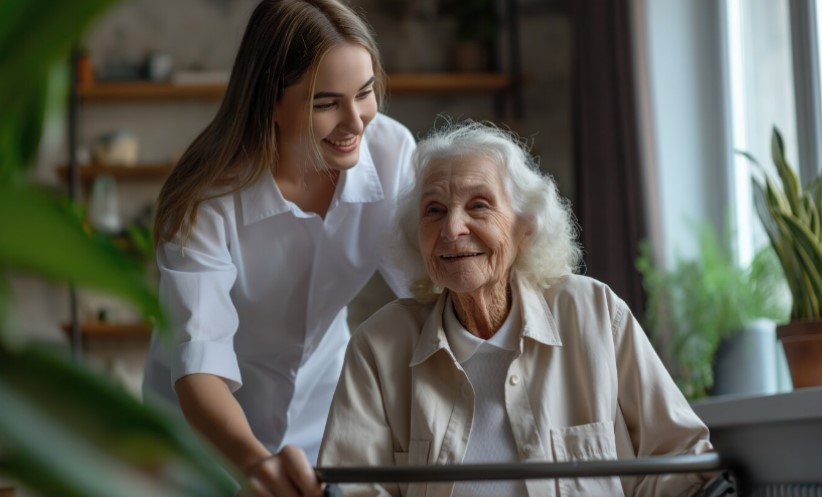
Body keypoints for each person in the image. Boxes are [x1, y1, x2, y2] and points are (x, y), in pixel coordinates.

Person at [318, 120, 714, 496]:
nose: (452, 228)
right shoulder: (379, 347)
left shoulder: (593, 314)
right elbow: (351, 487)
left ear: (524, 227)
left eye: (478, 206)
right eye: (434, 210)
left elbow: (679, 463)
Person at [141, 1, 416, 495]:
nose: (356, 121)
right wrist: (254, 464)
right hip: (202, 434)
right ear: (271, 101)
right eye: (327, 103)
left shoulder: (392, 155)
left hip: (321, 414)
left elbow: (429, 294)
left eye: (366, 93)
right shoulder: (206, 199)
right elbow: (200, 361)